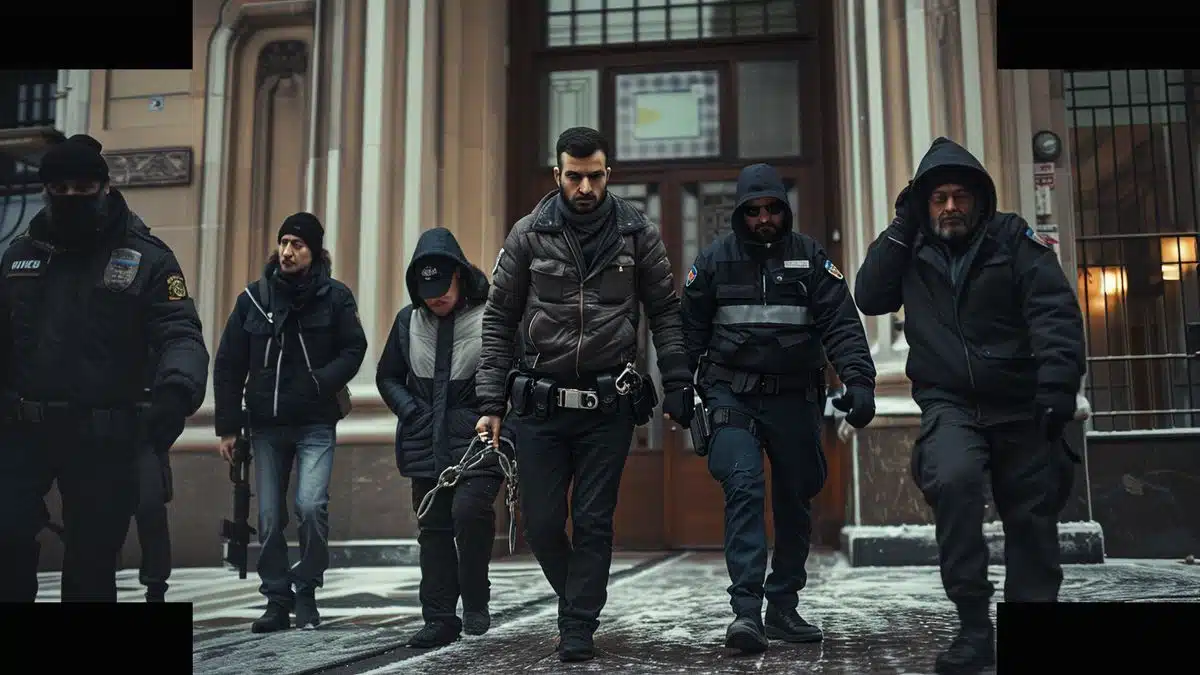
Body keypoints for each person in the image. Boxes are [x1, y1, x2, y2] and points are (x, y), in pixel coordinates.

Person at [853, 137, 1085, 674]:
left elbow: (1054, 313)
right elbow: (869, 295)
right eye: (939, 198)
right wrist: (900, 226)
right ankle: (974, 630)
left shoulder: (1013, 241)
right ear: (924, 204)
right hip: (949, 403)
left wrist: (1057, 388)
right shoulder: (909, 246)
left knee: (1031, 521)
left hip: (1021, 402)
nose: (950, 206)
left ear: (978, 199)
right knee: (953, 483)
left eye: (960, 196)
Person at [475, 126, 693, 662]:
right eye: (575, 176)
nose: (585, 186)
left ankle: (578, 625)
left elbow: (666, 312)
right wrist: (489, 405)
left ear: (608, 174)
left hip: (608, 407)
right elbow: (499, 318)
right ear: (558, 175)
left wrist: (679, 380)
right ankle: (579, 599)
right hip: (541, 405)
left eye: (595, 176)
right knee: (542, 523)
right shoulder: (528, 234)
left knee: (594, 520)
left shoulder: (638, 234)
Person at [0, 133, 209, 602]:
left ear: (104, 187)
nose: (72, 197)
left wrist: (175, 393)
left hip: (103, 436)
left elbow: (180, 333)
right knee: (6, 543)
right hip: (20, 433)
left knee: (91, 564)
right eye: (61, 189)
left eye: (83, 188)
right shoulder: (19, 257)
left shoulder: (147, 259)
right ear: (47, 191)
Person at [680, 162, 877, 654]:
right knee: (743, 483)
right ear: (740, 212)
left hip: (794, 396)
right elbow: (685, 332)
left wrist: (860, 380)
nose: (763, 218)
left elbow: (841, 324)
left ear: (783, 209)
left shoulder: (810, 259)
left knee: (796, 495)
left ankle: (783, 606)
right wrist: (679, 386)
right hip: (731, 393)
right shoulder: (713, 262)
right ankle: (746, 613)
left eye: (771, 209)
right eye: (753, 210)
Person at [212, 212, 367, 632]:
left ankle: (307, 588)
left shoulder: (335, 297)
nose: (287, 251)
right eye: (283, 242)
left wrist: (321, 382)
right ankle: (277, 599)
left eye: (297, 244)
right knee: (268, 517)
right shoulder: (254, 299)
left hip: (316, 423)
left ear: (314, 251)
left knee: (311, 507)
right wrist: (227, 426)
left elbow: (355, 348)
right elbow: (228, 363)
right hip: (265, 426)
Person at [377, 227, 514, 648]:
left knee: (470, 514)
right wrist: (411, 410)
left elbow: (511, 371)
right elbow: (387, 376)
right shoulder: (408, 322)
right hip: (423, 440)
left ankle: (475, 596)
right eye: (426, 288)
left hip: (477, 440)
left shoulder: (491, 316)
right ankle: (438, 618)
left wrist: (491, 410)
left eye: (443, 286)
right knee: (433, 528)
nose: (436, 296)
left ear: (459, 275)